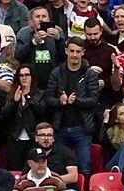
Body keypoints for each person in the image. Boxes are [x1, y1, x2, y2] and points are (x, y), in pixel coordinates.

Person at [44, 38, 100, 177]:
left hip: (82, 127)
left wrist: (76, 101)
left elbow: (93, 100)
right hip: (60, 127)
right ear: (66, 51)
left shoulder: (89, 74)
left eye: (78, 51)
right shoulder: (56, 72)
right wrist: (59, 101)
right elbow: (48, 98)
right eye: (72, 51)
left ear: (83, 53)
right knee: (60, 167)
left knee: (84, 166)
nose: (74, 54)